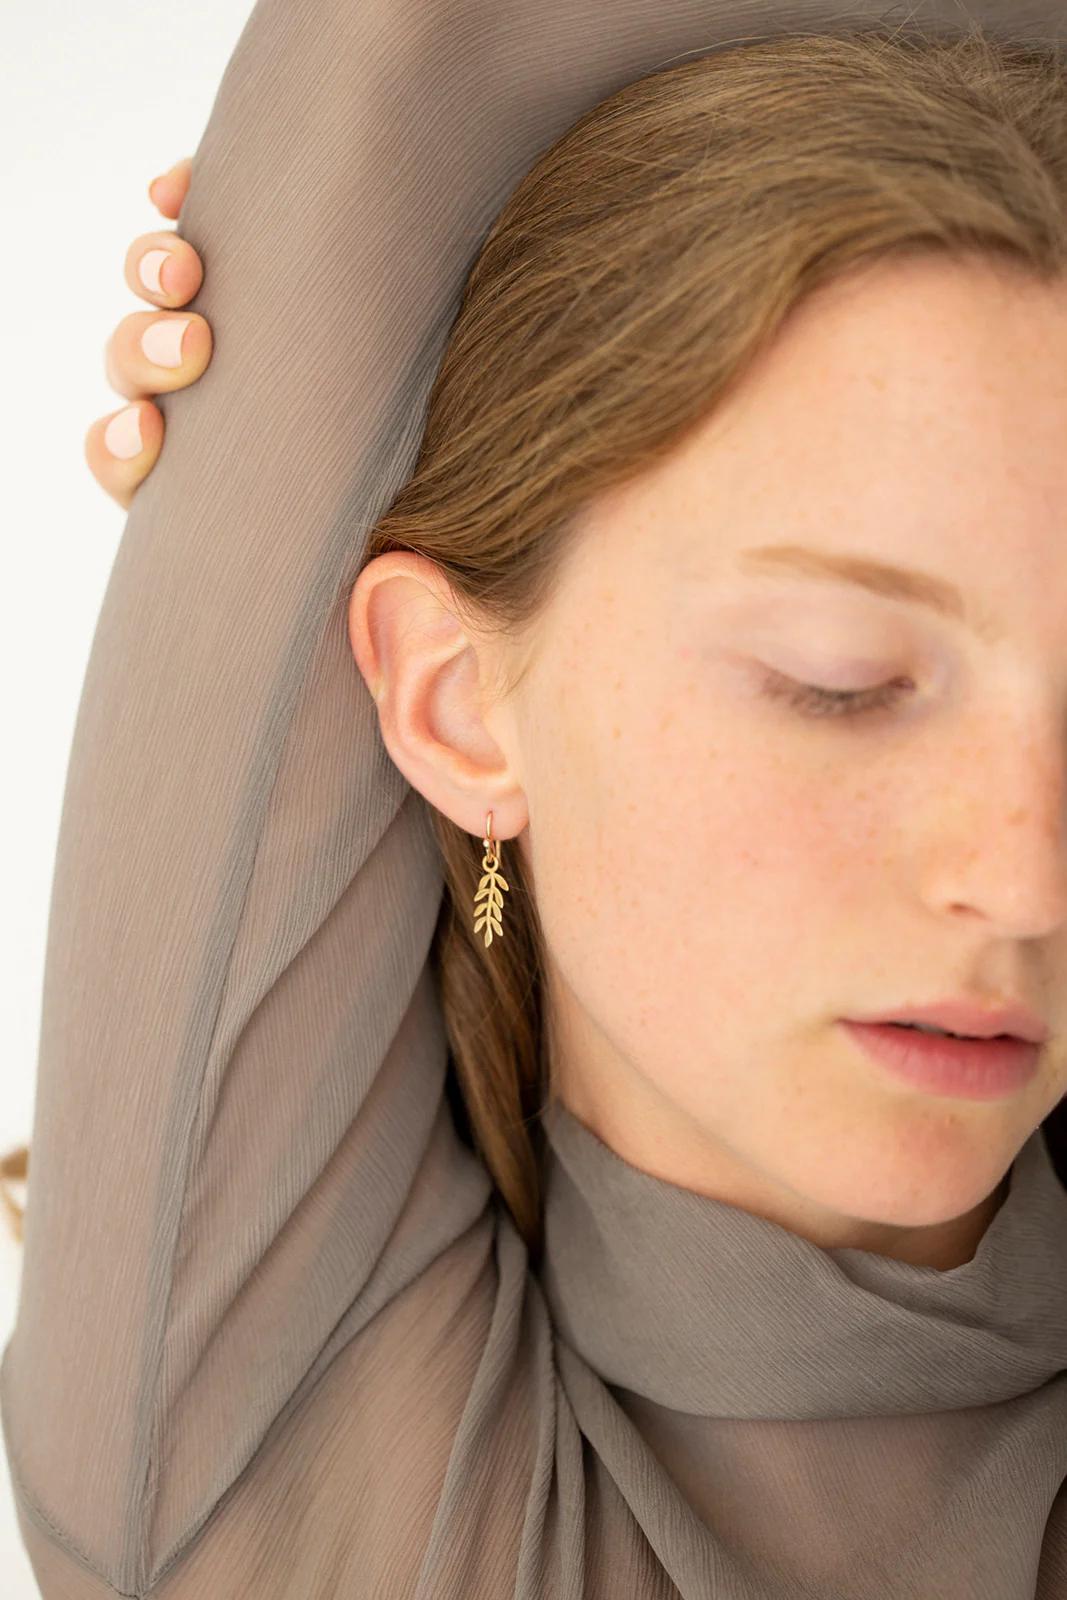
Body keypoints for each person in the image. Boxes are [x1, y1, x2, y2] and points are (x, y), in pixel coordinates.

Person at [2, 7, 1067, 1597]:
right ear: (454, 701)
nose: (1028, 879)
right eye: (841, 680)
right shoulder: (294, 1481)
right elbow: (401, 51)